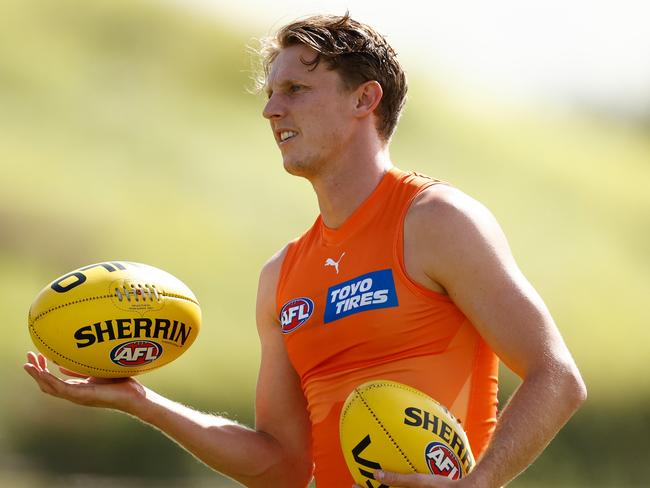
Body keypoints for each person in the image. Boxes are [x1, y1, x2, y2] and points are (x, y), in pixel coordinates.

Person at [24, 13, 586, 488]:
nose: (272, 110)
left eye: (295, 90)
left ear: (365, 99)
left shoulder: (436, 220)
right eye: (270, 94)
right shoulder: (282, 276)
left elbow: (556, 377)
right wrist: (142, 402)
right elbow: (283, 465)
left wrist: (478, 485)